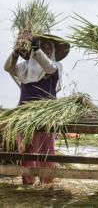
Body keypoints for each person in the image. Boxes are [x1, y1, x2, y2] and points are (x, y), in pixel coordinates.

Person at [4, 34, 70, 185]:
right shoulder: (24, 67)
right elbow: (8, 67)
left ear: (53, 51)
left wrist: (36, 49)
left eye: (49, 47)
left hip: (46, 113)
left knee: (46, 148)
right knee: (26, 148)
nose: (45, 49)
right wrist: (15, 52)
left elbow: (49, 67)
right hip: (25, 112)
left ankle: (46, 182)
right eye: (42, 46)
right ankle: (28, 181)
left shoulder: (55, 66)